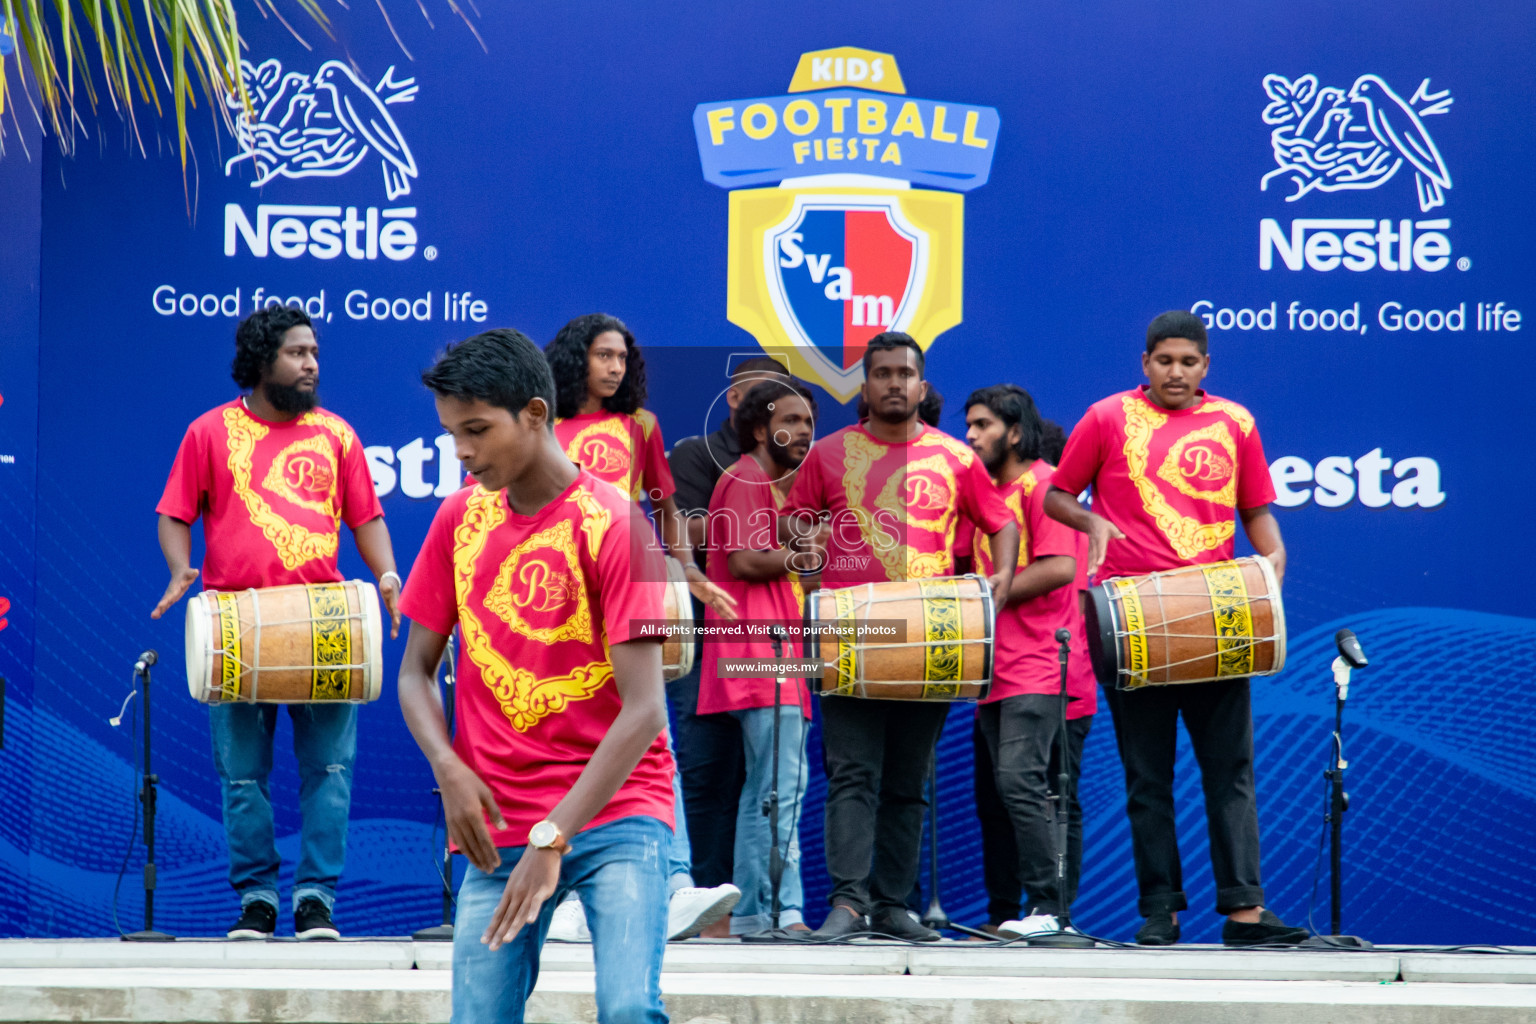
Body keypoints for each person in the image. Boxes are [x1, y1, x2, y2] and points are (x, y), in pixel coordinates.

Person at [396, 328, 673, 1024]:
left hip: (617, 810)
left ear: (535, 415)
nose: (461, 450)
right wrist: (449, 768)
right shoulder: (458, 519)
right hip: (499, 820)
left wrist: (553, 838)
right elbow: (413, 674)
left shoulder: (620, 526)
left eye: (477, 430)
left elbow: (645, 712)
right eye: (452, 433)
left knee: (629, 1009)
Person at [1043, 310, 1305, 947]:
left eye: (1189, 362)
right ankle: (1161, 911)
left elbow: (1256, 514)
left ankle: (1244, 912)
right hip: (1134, 622)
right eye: (1165, 361)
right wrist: (1091, 525)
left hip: (1215, 619)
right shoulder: (1106, 417)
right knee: (1147, 776)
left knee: (1230, 771)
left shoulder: (1235, 422)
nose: (1177, 372)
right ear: (1145, 363)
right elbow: (1056, 495)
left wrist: (1272, 562)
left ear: (1206, 366)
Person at [150, 306, 402, 941]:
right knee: (242, 774)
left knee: (330, 770)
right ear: (263, 362)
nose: (311, 363)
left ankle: (317, 898)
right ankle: (257, 899)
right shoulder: (209, 432)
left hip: (325, 626)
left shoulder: (337, 436)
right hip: (237, 626)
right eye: (296, 353)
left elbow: (366, 518)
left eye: (314, 352)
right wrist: (181, 568)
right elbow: (175, 513)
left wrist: (389, 575)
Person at [781, 332, 1019, 941]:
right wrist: (802, 545)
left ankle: (892, 905)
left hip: (931, 641)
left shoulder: (956, 459)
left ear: (921, 384)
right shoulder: (828, 455)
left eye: (904, 374)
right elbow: (793, 524)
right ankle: (848, 903)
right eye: (882, 373)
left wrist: (1003, 579)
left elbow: (1002, 522)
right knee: (853, 773)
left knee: (909, 781)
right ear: (865, 385)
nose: (893, 383)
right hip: (848, 639)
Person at [543, 312, 739, 940]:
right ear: (577, 358)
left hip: (629, 585)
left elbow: (665, 506)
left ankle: (675, 883)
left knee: (652, 734)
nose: (615, 367)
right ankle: (570, 892)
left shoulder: (640, 427)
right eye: (603, 355)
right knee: (564, 737)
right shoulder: (539, 423)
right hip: (557, 599)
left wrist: (688, 573)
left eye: (623, 358)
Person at [962, 386, 1096, 939]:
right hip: (993, 669)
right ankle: (1006, 914)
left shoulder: (1046, 487)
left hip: (1042, 664)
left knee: (1023, 782)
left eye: (982, 426)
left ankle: (1048, 910)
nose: (970, 436)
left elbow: (1061, 567)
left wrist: (987, 595)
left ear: (1014, 432)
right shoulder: (984, 493)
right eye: (968, 426)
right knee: (996, 796)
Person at [665, 356, 789, 913]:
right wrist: (772, 525)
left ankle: (744, 907)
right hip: (703, 634)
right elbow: (687, 533)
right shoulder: (700, 455)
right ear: (737, 400)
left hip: (779, 633)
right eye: (754, 393)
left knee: (764, 780)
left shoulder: (791, 468)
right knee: (708, 768)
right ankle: (701, 896)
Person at [700, 378, 818, 934]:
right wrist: (803, 554)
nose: (800, 432)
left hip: (768, 654)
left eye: (808, 423)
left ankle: (758, 910)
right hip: (760, 655)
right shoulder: (746, 478)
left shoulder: (762, 485)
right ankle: (774, 912)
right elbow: (746, 561)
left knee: (770, 787)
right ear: (757, 427)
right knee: (779, 788)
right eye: (788, 420)